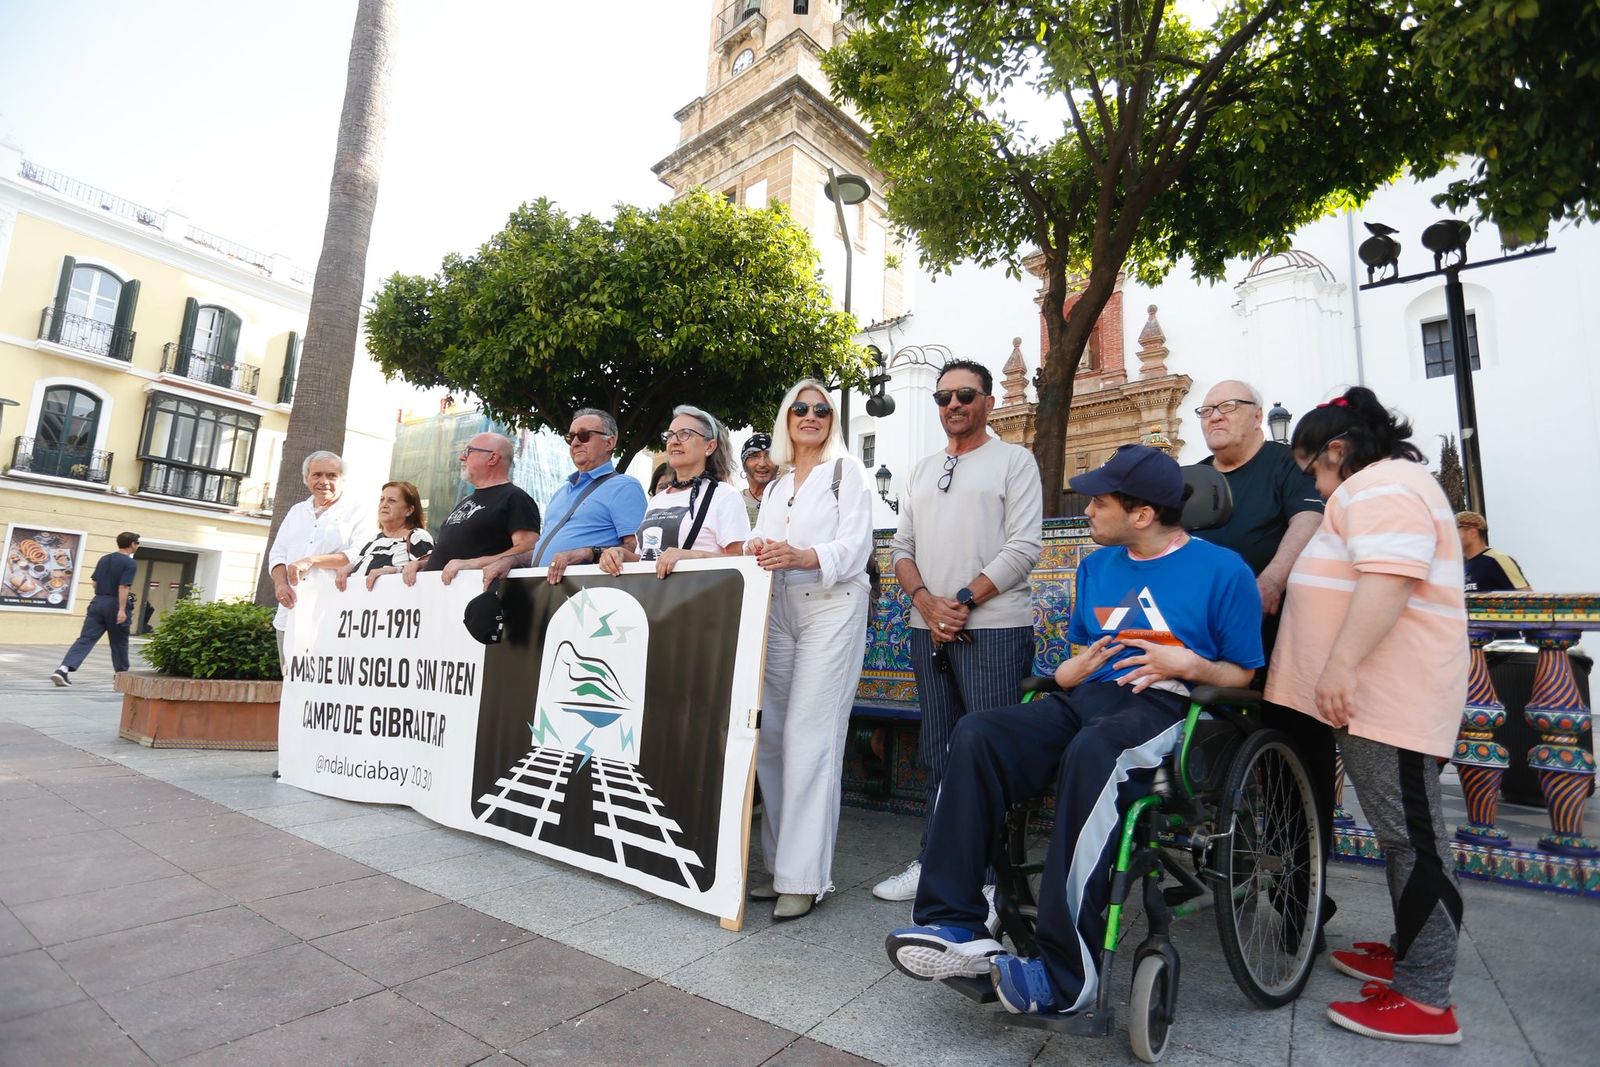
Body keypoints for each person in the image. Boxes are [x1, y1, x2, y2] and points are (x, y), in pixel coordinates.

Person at [885, 444, 1264, 1019]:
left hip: (1172, 705)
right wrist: (1067, 673)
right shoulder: (1098, 567)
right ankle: (954, 923)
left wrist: (1188, 664)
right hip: (1089, 697)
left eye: (1100, 502)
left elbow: (1244, 675)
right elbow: (1079, 659)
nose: (1086, 511)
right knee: (978, 733)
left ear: (1142, 514)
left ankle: (1067, 974)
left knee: (1096, 752)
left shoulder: (1224, 571)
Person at [1268, 387, 1468, 1045]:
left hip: (1387, 695)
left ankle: (1426, 998)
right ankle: (1410, 954)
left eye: (1313, 468)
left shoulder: (1381, 485)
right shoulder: (1382, 484)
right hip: (1375, 697)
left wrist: (1339, 666)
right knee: (1401, 833)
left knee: (1413, 839)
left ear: (1338, 449)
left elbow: (1389, 577)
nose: (1314, 484)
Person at [873, 359, 1043, 903]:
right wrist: (926, 603)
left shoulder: (1014, 461)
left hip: (993, 629)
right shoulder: (921, 470)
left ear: (988, 401)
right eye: (943, 397)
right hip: (928, 628)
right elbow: (901, 548)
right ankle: (933, 860)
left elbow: (1024, 547)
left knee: (989, 754)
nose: (953, 405)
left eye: (965, 395)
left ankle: (992, 879)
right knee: (938, 751)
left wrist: (963, 601)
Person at [1195, 378, 1335, 939]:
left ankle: (1303, 906)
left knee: (1296, 773)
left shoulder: (1284, 464)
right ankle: (1230, 877)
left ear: (1257, 416)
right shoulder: (1194, 478)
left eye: (1227, 406)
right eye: (1206, 409)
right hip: (1210, 649)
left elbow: (1309, 519)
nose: (1214, 416)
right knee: (1217, 769)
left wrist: (1272, 577)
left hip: (1283, 642)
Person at [744, 381, 873, 921]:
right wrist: (758, 547)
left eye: (822, 409)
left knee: (810, 736)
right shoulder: (775, 487)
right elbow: (758, 544)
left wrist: (803, 556)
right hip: (779, 608)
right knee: (773, 736)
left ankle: (805, 878)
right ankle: (780, 868)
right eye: (800, 408)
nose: (811, 415)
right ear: (786, 418)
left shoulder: (847, 472)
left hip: (831, 603)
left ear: (832, 420)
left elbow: (857, 546)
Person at [482, 409, 647, 587]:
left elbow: (639, 550)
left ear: (609, 442)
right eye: (570, 437)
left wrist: (589, 552)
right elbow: (542, 552)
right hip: (543, 589)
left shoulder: (624, 486)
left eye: (584, 435)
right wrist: (511, 560)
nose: (575, 443)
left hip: (585, 592)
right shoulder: (561, 492)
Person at [598, 405, 749, 577]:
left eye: (685, 434)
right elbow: (646, 561)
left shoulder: (724, 495)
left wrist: (691, 556)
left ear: (710, 446)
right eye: (670, 435)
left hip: (699, 592)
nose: (674, 441)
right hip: (655, 593)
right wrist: (621, 555)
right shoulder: (658, 499)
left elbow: (740, 560)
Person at [268, 451, 369, 664]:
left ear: (342, 479)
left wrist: (312, 561)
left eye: (332, 475)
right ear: (306, 478)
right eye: (317, 475)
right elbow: (278, 554)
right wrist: (280, 585)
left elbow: (360, 554)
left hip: (332, 615)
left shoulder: (357, 512)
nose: (324, 481)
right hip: (290, 614)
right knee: (289, 679)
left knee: (327, 679)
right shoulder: (296, 511)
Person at [404, 432, 540, 587]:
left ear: (492, 458)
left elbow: (528, 550)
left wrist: (473, 563)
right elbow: (455, 551)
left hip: (474, 593)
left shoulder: (515, 498)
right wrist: (422, 564)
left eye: (468, 451)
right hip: (441, 593)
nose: (462, 457)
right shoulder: (467, 501)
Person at [51, 531, 140, 686]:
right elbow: (123, 586)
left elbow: (95, 583)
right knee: (119, 642)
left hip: (98, 602)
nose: (138, 546)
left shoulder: (104, 559)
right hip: (115, 604)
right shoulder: (130, 563)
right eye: (137, 543)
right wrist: (121, 610)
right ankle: (121, 676)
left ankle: (62, 670)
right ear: (132, 544)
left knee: (86, 639)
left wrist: (103, 596)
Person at [335, 481, 433, 592]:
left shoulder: (417, 536)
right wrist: (351, 567)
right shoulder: (374, 540)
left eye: (392, 500)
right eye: (382, 499)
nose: (384, 505)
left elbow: (430, 571)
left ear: (409, 510)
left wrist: (395, 571)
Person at [1456, 511, 1530, 593]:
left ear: (1472, 533)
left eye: (1453, 531)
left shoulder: (1498, 560)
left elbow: (1526, 596)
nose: (1450, 536)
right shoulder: (1461, 566)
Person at [740, 432, 778, 524]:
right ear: (744, 465)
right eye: (754, 456)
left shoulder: (787, 500)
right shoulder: (734, 501)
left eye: (769, 456)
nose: (762, 464)